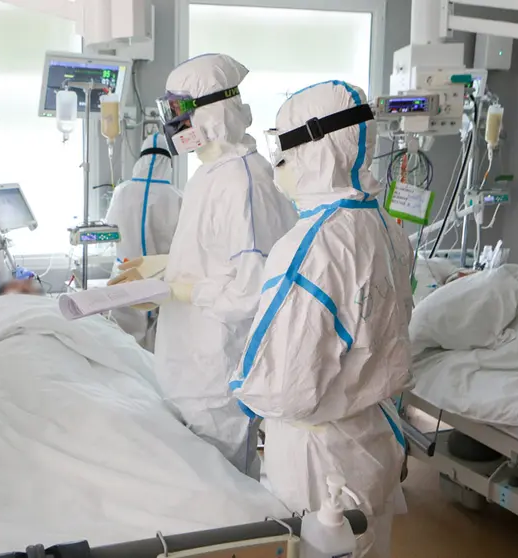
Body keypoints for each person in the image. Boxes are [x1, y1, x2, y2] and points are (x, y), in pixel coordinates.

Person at [230, 80, 414, 558]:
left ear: (315, 149)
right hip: (370, 439)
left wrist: (242, 395)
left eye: (284, 150)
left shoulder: (313, 247)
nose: (278, 164)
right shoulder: (385, 226)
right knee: (370, 546)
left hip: (320, 460)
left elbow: (285, 387)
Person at [115, 54, 296, 473]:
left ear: (213, 111)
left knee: (225, 493)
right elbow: (213, 254)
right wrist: (160, 267)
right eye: (169, 112)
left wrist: (180, 289)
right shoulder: (211, 174)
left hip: (216, 374)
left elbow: (252, 290)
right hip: (188, 366)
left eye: (179, 111)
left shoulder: (244, 183)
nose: (172, 124)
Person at [104, 133, 180, 349]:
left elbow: (111, 230)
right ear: (169, 162)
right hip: (162, 279)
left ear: (140, 160)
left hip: (125, 275)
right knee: (159, 348)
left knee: (124, 349)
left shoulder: (122, 191)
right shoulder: (177, 197)